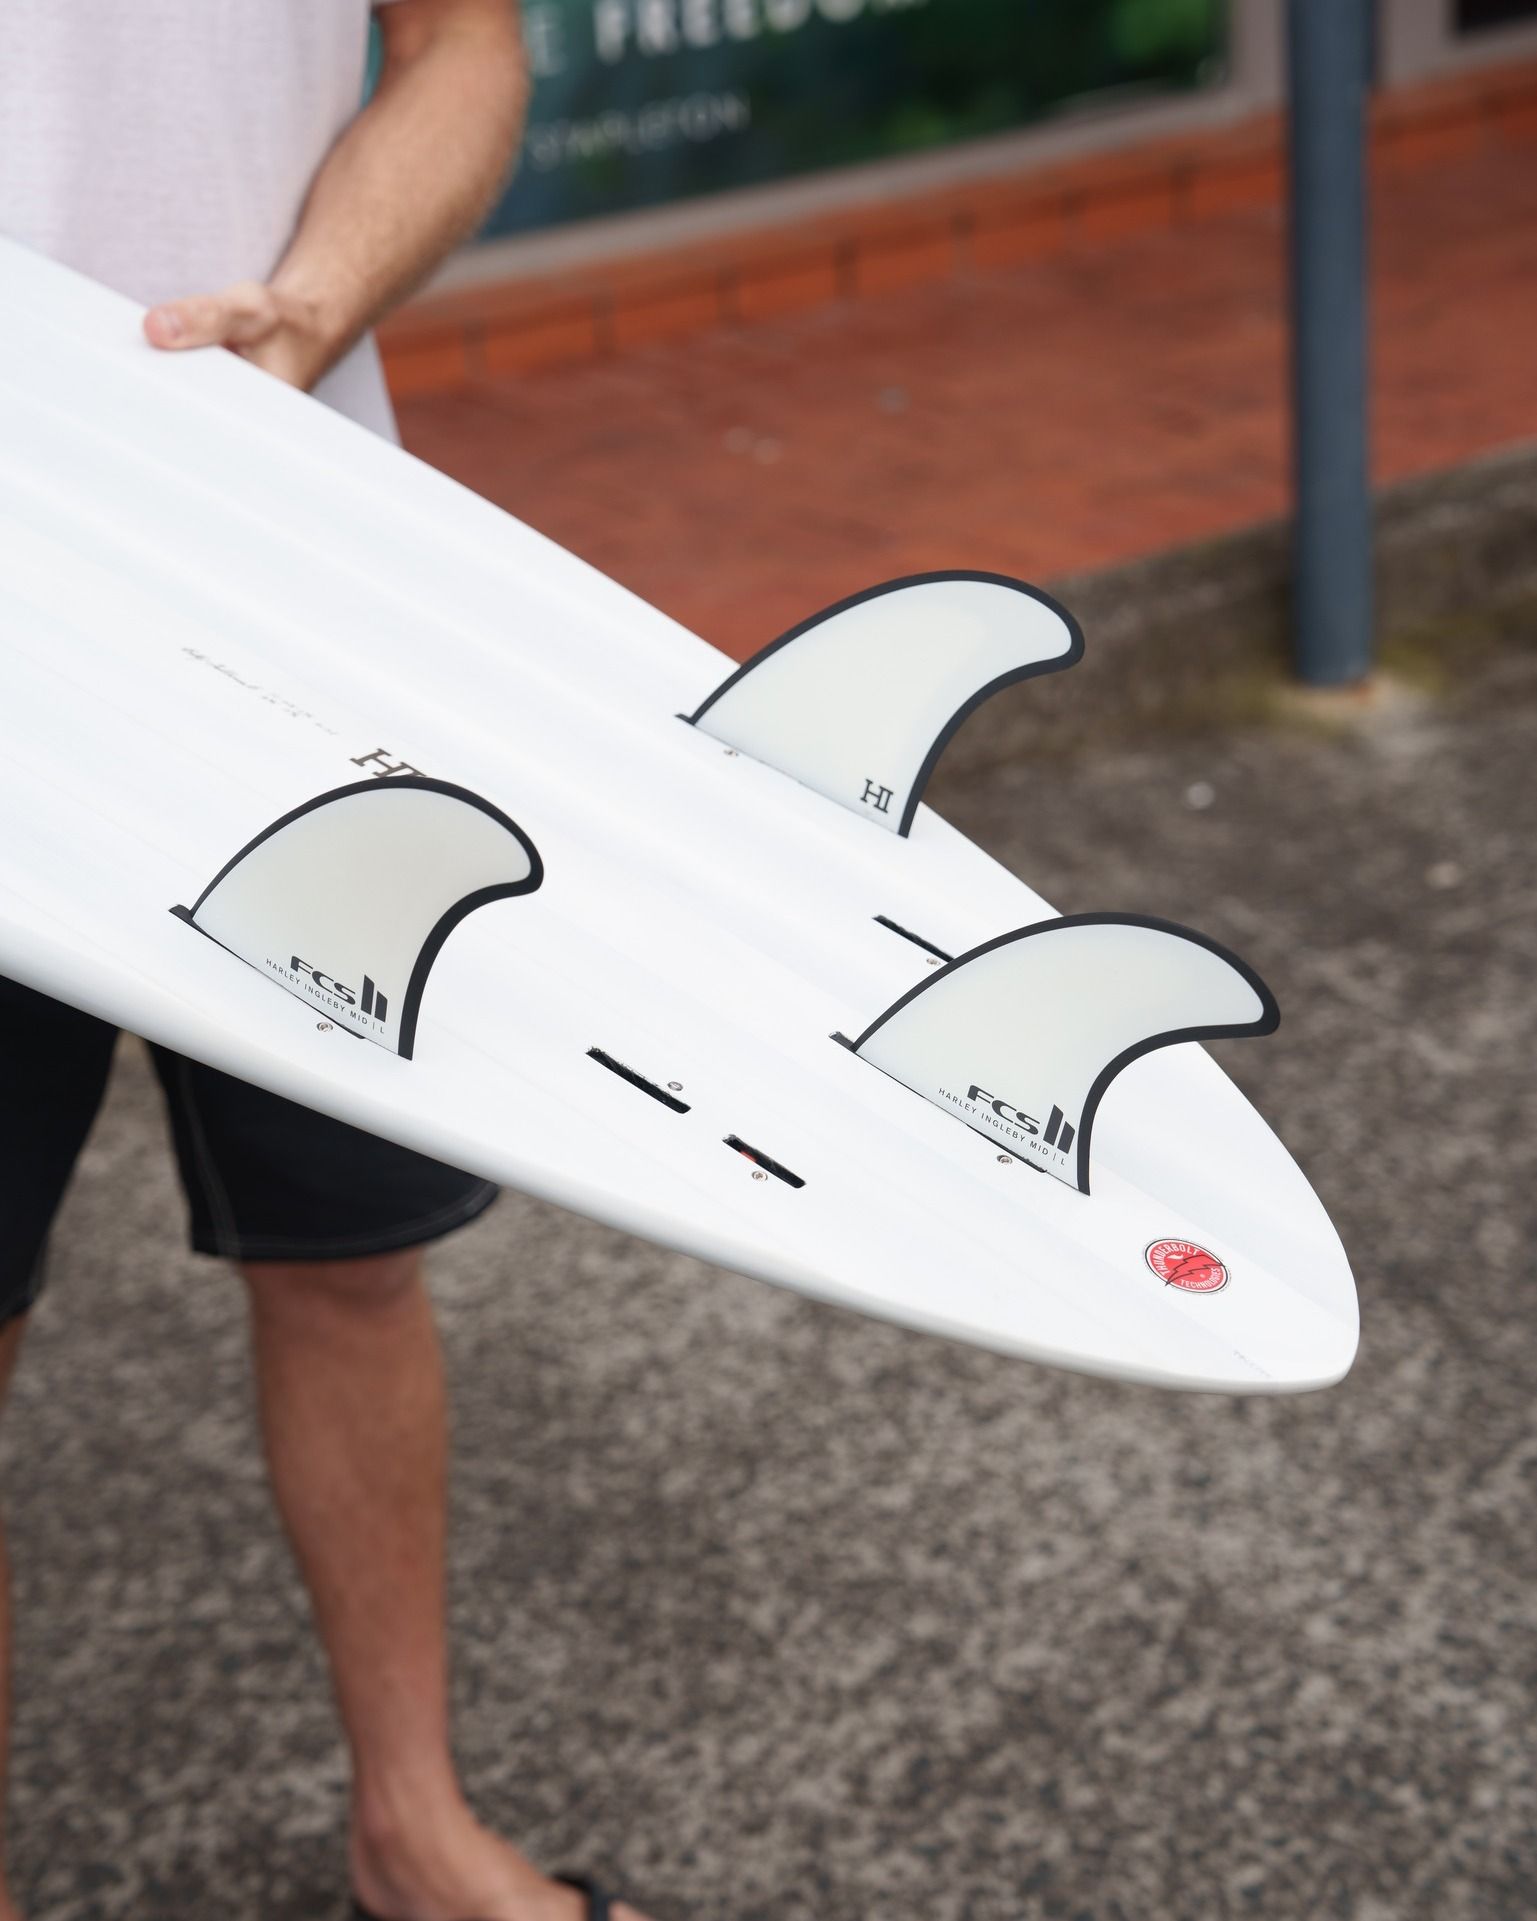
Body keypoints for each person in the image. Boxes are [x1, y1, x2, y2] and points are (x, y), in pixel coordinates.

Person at [0, 7, 651, 1919]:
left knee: (356, 1253)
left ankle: (414, 1834)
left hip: (275, 571)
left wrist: (305, 306)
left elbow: (465, 47)